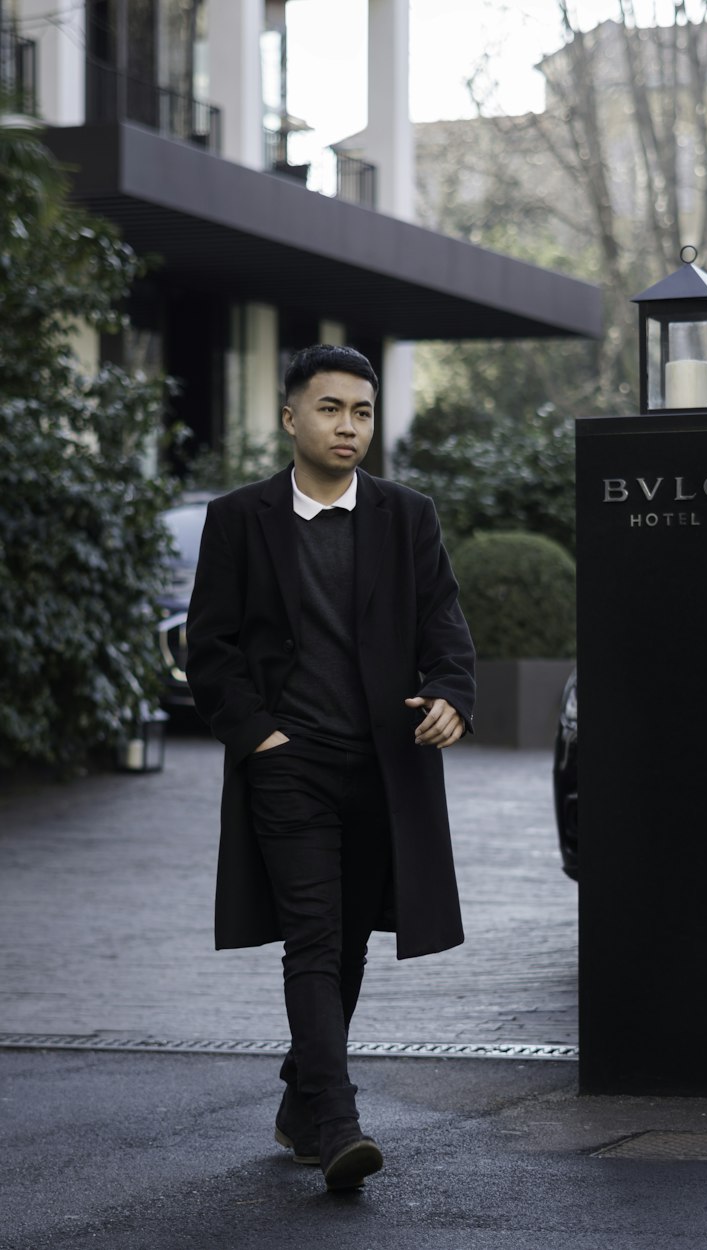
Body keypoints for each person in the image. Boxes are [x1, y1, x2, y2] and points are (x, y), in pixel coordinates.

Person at [185, 344, 475, 1193]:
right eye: (330, 408)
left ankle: (299, 1100)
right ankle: (340, 1126)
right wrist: (260, 738)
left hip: (383, 768)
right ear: (290, 418)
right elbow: (212, 649)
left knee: (345, 942)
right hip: (289, 767)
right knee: (312, 939)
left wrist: (453, 694)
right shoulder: (240, 519)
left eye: (362, 412)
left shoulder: (407, 516)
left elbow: (444, 632)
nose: (348, 426)